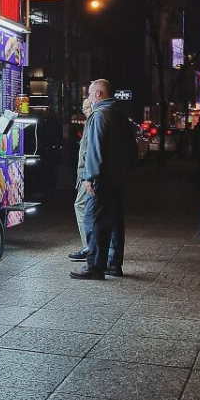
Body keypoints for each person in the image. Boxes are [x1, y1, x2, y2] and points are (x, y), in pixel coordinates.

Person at [71, 79, 130, 281]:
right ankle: (114, 264)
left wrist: (90, 176)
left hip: (101, 178)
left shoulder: (99, 115)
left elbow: (95, 149)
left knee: (93, 220)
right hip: (117, 177)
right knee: (114, 220)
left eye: (89, 94)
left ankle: (95, 265)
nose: (88, 97)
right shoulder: (120, 113)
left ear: (98, 94)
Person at [68, 97, 94, 261]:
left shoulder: (93, 122)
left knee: (81, 205)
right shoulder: (94, 121)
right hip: (88, 172)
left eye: (86, 108)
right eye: (83, 109)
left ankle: (88, 246)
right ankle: (92, 246)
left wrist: (86, 176)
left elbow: (87, 152)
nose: (85, 112)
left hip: (88, 173)